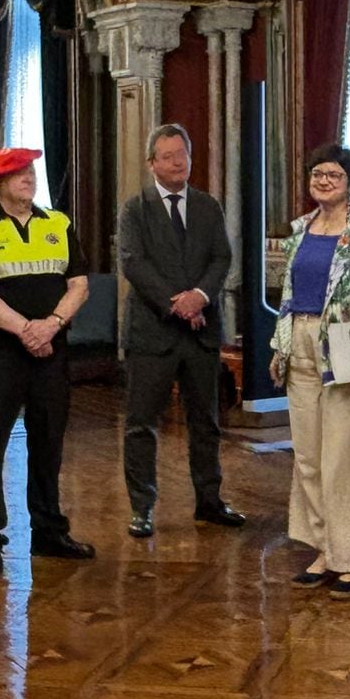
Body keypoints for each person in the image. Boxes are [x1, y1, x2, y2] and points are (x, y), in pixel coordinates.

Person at [0, 146, 94, 568]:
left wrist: (50, 325)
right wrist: (25, 330)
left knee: (49, 441)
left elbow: (79, 284)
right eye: (19, 173)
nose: (29, 178)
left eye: (32, 170)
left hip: (51, 348)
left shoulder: (58, 222)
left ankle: (49, 531)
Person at [272, 144, 350, 600]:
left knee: (345, 458)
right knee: (308, 456)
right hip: (299, 339)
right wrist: (279, 345)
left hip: (348, 346)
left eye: (333, 174)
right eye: (317, 173)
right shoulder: (300, 231)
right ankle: (322, 550)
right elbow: (288, 293)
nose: (323, 180)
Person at [117, 123, 243, 539]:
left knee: (205, 422)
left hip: (201, 333)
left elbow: (221, 257)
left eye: (182, 155)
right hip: (153, 333)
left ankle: (209, 502)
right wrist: (178, 303)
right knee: (141, 424)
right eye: (168, 156)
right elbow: (134, 264)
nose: (177, 162)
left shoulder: (208, 206)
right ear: (152, 163)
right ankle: (142, 508)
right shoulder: (135, 209)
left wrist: (201, 297)